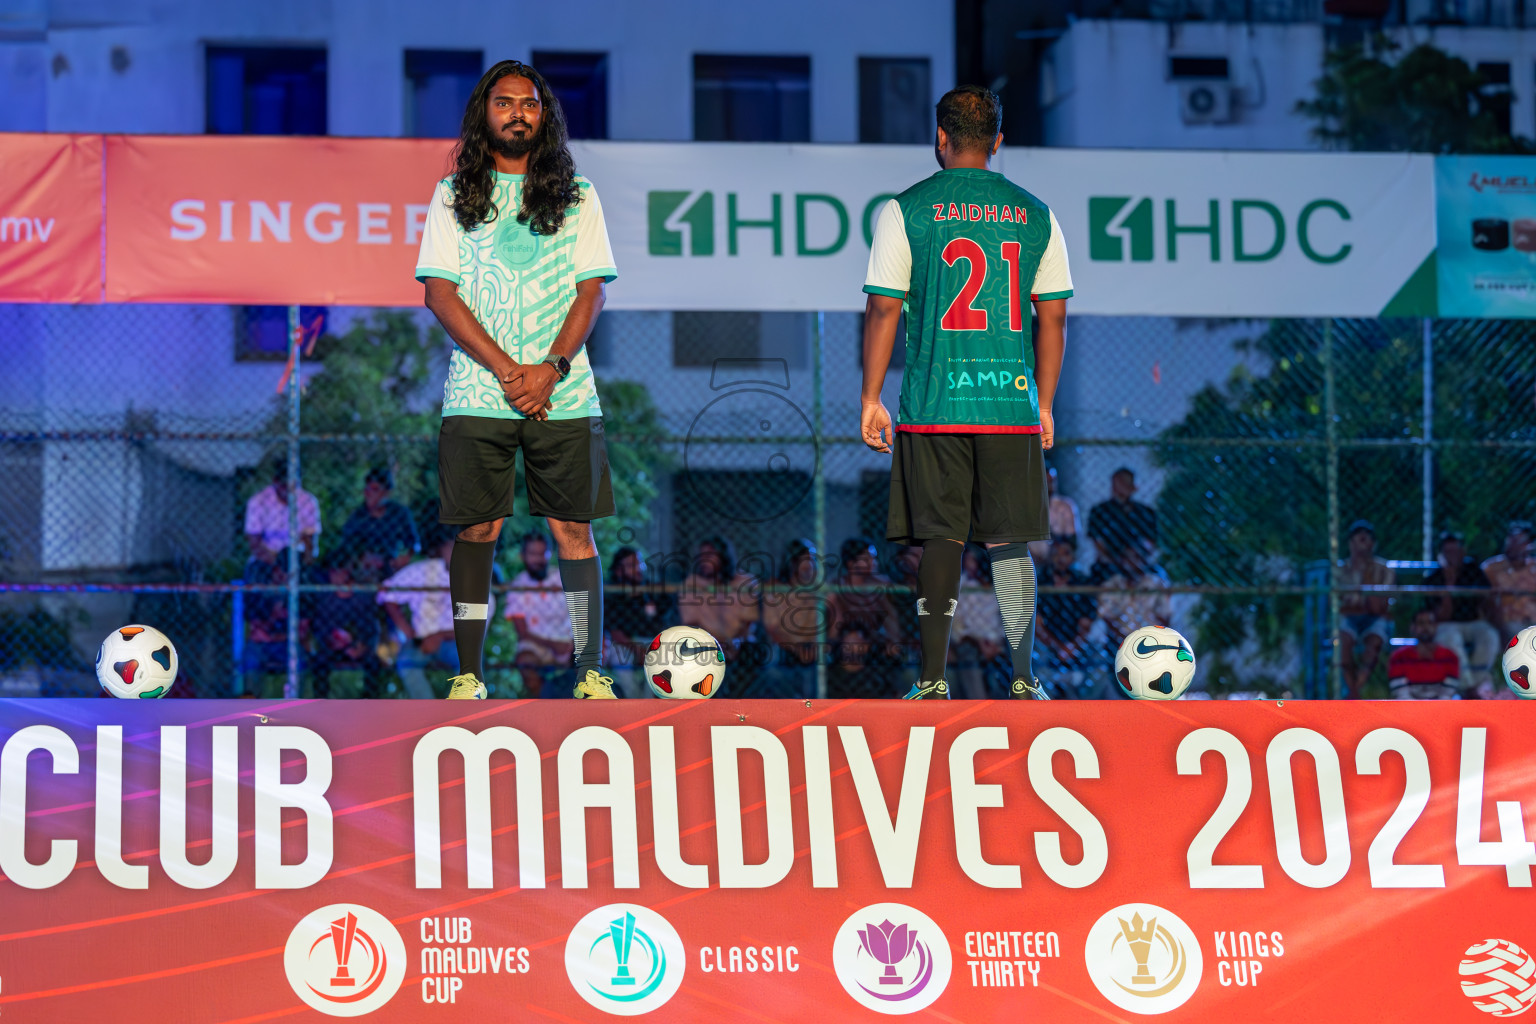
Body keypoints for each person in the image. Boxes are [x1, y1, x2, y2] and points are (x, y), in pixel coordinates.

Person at [859, 84, 1071, 702]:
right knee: (1009, 540)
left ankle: (930, 680)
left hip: (933, 404)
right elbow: (1052, 317)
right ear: (998, 142)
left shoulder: (905, 210)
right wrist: (1046, 403)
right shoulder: (1036, 213)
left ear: (941, 139)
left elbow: (882, 310)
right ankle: (1026, 678)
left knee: (942, 538)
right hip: (1010, 405)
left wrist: (872, 396)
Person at [415, 60, 618, 701]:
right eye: (504, 103)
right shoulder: (452, 195)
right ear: (485, 113)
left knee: (573, 532)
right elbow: (439, 295)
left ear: (544, 115)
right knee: (479, 530)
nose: (518, 113)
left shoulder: (577, 195)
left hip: (564, 391)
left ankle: (589, 671)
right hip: (480, 394)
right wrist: (508, 372)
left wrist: (549, 369)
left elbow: (593, 292)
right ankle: (469, 676)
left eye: (529, 104)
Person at [379, 531, 468, 699]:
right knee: (406, 663)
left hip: (457, 643)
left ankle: (458, 716)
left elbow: (474, 629)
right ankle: (428, 715)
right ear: (443, 550)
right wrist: (408, 632)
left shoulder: (478, 579)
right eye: (452, 548)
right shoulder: (423, 571)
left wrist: (438, 636)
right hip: (420, 641)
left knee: (472, 666)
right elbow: (387, 594)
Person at [1424, 530, 1498, 692]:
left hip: (1473, 621)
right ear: (1441, 555)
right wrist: (1449, 583)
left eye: (1455, 551)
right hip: (1448, 623)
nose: (1452, 556)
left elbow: (1487, 601)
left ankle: (1475, 685)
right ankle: (1468, 688)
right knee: (1449, 638)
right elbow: (1442, 615)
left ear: (1463, 552)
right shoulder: (1434, 578)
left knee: (1489, 635)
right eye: (1447, 552)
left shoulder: (1473, 572)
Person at [502, 532, 573, 698]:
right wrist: (552, 644)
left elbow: (583, 612)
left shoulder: (564, 577)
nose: (538, 559)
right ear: (522, 556)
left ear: (551, 553)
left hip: (570, 641)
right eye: (533, 554)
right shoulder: (518, 586)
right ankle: (542, 709)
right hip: (536, 644)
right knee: (524, 662)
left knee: (596, 650)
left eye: (543, 553)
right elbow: (523, 633)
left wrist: (572, 642)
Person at [308, 549, 384, 698]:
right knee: (319, 663)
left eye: (341, 571)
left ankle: (369, 705)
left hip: (357, 645)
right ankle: (320, 704)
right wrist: (333, 643)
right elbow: (319, 627)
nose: (337, 576)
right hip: (333, 647)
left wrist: (360, 645)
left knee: (374, 663)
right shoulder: (325, 597)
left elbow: (370, 626)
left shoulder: (362, 596)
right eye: (333, 572)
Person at [604, 546, 678, 697]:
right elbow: (615, 633)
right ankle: (633, 703)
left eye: (640, 563)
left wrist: (650, 649)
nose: (638, 569)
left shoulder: (653, 589)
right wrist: (637, 650)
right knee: (620, 657)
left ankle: (648, 706)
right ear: (619, 570)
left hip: (653, 642)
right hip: (624, 644)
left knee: (660, 658)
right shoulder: (611, 593)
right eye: (632, 565)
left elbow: (666, 624)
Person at [678, 536, 761, 670]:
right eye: (701, 555)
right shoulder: (692, 584)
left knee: (752, 651)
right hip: (705, 642)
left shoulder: (745, 582)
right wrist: (714, 644)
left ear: (723, 556)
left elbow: (748, 622)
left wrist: (734, 642)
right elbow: (691, 623)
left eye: (710, 555)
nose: (704, 560)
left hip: (739, 642)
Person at [1035, 536, 1100, 698]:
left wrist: (1072, 647)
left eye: (1065, 554)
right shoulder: (1040, 583)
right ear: (1050, 557)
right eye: (1056, 554)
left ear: (1073, 557)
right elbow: (1037, 626)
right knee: (1035, 652)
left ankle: (1086, 709)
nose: (1060, 558)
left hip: (1077, 644)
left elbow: (1086, 625)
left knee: (1099, 662)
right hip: (1048, 646)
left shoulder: (1083, 583)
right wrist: (1058, 648)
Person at [758, 538, 823, 698]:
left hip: (810, 648)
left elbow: (821, 626)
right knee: (772, 664)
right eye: (805, 560)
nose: (810, 565)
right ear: (792, 562)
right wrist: (796, 648)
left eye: (813, 559)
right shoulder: (773, 587)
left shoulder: (819, 589)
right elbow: (772, 627)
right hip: (783, 647)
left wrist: (813, 647)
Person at [1338, 519, 1395, 696]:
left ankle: (1357, 687)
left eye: (1366, 539)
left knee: (1374, 642)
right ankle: (1352, 690)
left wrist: (1368, 579)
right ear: (1350, 543)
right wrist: (1365, 603)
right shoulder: (1341, 570)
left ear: (1373, 544)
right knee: (1343, 640)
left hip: (1375, 619)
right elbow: (1342, 608)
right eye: (1358, 539)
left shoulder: (1384, 569)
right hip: (1349, 620)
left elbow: (1380, 607)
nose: (1362, 543)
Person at [338, 467, 419, 584]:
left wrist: (404, 558)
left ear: (387, 493)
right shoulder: (358, 516)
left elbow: (413, 543)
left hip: (391, 563)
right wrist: (361, 558)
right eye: (367, 489)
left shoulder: (399, 513)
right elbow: (346, 546)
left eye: (375, 489)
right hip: (365, 565)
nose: (369, 494)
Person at [949, 545, 1007, 699]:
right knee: (969, 654)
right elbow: (957, 627)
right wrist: (978, 641)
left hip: (996, 642)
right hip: (969, 641)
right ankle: (977, 702)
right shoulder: (960, 586)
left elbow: (1004, 622)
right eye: (966, 560)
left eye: (972, 561)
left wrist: (996, 644)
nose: (968, 565)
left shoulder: (998, 586)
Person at [828, 537, 900, 655]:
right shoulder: (837, 585)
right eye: (867, 559)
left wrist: (894, 640)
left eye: (874, 558)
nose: (873, 562)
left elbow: (891, 615)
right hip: (845, 639)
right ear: (851, 563)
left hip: (873, 638)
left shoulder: (881, 584)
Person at [1096, 538, 1171, 649]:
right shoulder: (1112, 585)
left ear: (1142, 559)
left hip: (1153, 639)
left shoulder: (1155, 583)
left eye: (1136, 557)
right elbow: (1106, 618)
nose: (1131, 563)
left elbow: (1165, 617)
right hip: (1122, 642)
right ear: (1122, 560)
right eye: (1127, 558)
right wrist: (1127, 641)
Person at [245, 462, 321, 565]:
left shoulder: (308, 501)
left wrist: (304, 561)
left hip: (298, 557)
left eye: (295, 485)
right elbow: (255, 544)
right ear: (276, 481)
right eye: (285, 486)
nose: (290, 491)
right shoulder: (258, 501)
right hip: (267, 559)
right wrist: (277, 565)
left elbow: (310, 542)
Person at [1086, 467, 1157, 577]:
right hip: (1109, 565)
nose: (1120, 487)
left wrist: (1136, 557)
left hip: (1140, 563)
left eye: (1125, 482)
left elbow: (1151, 541)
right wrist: (1118, 559)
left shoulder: (1146, 513)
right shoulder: (1100, 512)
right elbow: (1098, 543)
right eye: (1118, 482)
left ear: (1134, 486)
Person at [1387, 606, 1462, 700]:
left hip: (1441, 708)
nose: (1426, 627)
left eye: (1430, 623)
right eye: (1421, 623)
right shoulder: (1399, 657)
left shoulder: (1450, 657)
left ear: (1436, 626)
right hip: (1409, 708)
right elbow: (1401, 694)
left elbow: (1447, 694)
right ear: (1413, 627)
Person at [1482, 521, 1536, 643]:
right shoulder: (1491, 568)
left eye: (1519, 542)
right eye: (1511, 540)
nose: (1513, 545)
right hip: (1508, 622)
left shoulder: (1534, 567)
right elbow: (1488, 602)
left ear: (1530, 545)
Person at [1030, 464, 1083, 561]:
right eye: (1044, 482)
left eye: (1051, 481)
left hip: (1059, 559)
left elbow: (1072, 538)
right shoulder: (1025, 508)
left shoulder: (1066, 506)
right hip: (1033, 560)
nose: (1049, 486)